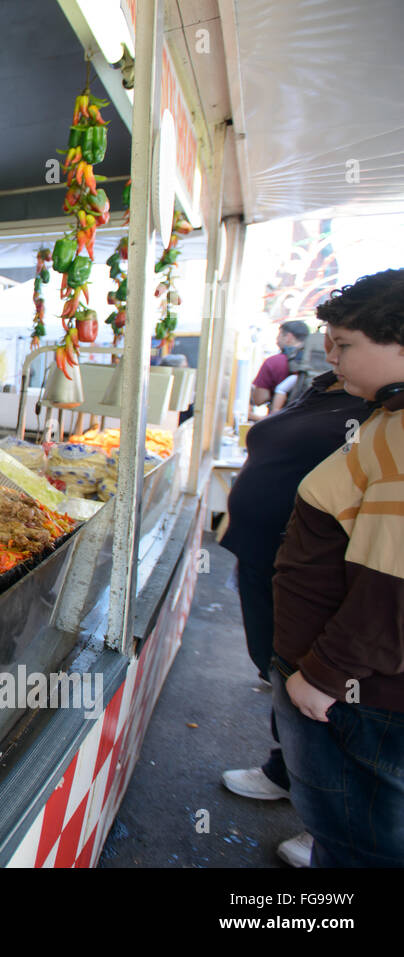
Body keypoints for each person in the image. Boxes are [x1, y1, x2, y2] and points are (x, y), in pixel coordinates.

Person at [218, 330, 373, 867]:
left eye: (345, 342)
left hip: (328, 578)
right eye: (328, 340)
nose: (330, 353)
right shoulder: (325, 388)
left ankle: (332, 827)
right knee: (278, 669)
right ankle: (288, 772)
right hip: (273, 562)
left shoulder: (383, 412)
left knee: (326, 695)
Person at [270, 268, 404, 867]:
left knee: (358, 846)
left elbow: (390, 584)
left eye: (346, 344)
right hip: (350, 687)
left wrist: (325, 675)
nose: (331, 356)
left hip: (359, 697)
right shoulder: (386, 416)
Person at [249, 320, 309, 413]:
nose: (276, 340)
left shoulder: (273, 362)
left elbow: (259, 399)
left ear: (288, 337)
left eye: (279, 335)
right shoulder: (317, 362)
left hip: (281, 421)